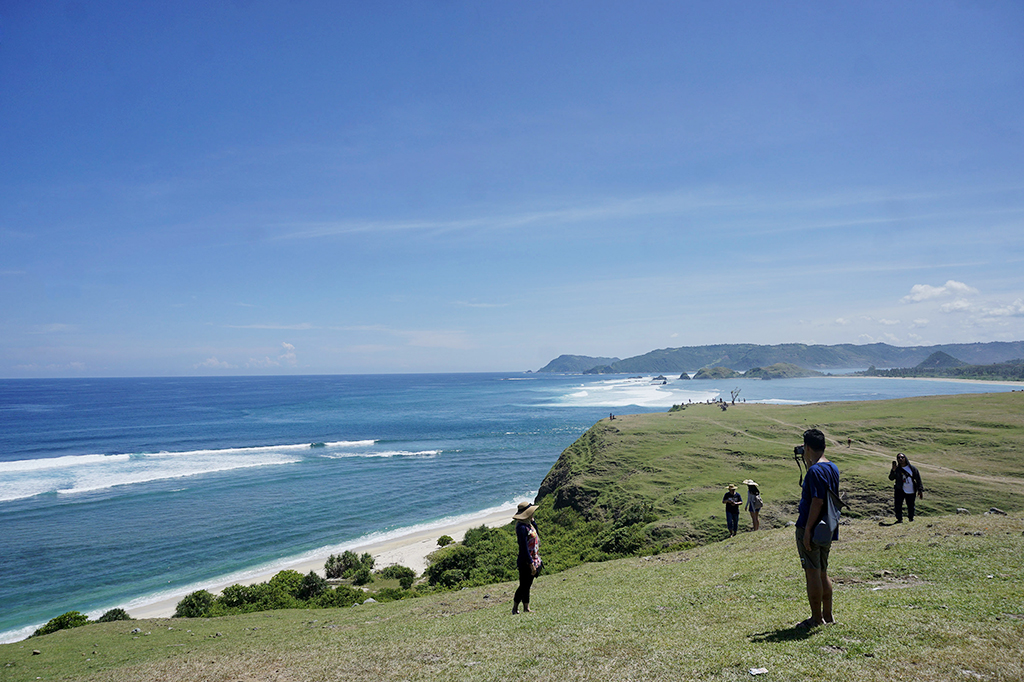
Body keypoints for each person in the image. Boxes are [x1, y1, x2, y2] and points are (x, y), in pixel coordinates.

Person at [795, 428, 840, 629]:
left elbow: (817, 501)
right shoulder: (832, 467)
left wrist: (807, 530)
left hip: (812, 527)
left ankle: (815, 619)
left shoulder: (814, 471)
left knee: (812, 572)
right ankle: (827, 616)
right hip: (827, 528)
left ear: (806, 447)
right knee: (823, 571)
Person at [512, 501, 542, 614]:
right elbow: (523, 548)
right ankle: (515, 608)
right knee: (523, 585)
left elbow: (537, 534)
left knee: (527, 585)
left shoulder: (528, 524)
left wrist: (534, 523)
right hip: (526, 561)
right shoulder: (521, 528)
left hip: (533, 558)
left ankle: (526, 607)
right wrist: (531, 564)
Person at [888, 452, 924, 522]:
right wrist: (893, 471)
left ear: (905, 458)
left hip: (911, 489)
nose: (900, 459)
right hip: (899, 489)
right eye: (898, 458)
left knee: (911, 505)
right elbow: (891, 478)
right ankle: (899, 519)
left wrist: (920, 490)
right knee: (898, 505)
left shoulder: (912, 468)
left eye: (902, 457)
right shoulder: (897, 469)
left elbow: (918, 479)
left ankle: (911, 518)